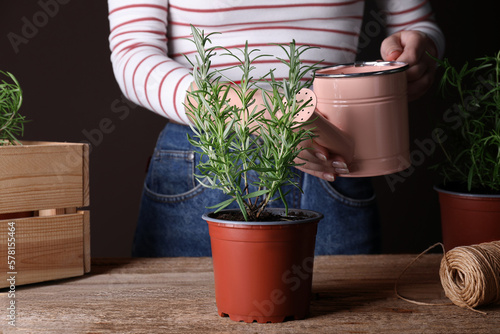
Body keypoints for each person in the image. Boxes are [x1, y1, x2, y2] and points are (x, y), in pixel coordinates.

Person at [107, 0, 445, 257]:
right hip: (209, 157)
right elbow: (133, 53)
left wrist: (419, 51)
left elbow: (416, 25)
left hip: (327, 157)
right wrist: (253, 108)